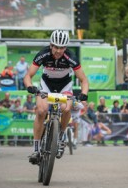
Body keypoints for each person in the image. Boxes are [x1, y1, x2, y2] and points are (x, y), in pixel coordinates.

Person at [24, 30, 89, 163]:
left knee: (66, 109)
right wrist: (29, 86)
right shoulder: (43, 54)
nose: (58, 50)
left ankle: (60, 136)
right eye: (55, 47)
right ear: (51, 45)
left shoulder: (71, 57)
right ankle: (36, 149)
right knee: (41, 111)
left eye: (62, 47)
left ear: (66, 47)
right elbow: (28, 75)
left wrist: (84, 93)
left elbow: (84, 80)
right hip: (46, 86)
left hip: (64, 87)